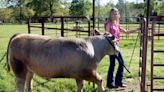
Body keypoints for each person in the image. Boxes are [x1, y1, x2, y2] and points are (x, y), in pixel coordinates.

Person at [104, 7, 140, 88]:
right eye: (113, 13)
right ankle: (115, 82)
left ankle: (113, 83)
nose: (115, 15)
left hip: (115, 46)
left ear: (118, 15)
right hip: (111, 46)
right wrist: (113, 38)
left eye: (116, 13)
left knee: (114, 64)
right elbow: (106, 34)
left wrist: (137, 29)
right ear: (110, 14)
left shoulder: (117, 24)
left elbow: (126, 32)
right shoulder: (109, 23)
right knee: (119, 63)